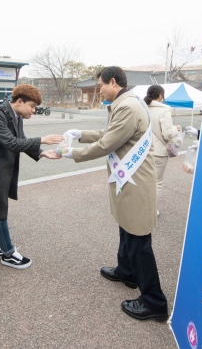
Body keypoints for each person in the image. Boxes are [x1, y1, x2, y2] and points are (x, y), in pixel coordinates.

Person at [62, 66, 168, 321]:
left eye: (100, 85)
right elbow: (110, 135)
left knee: (138, 242)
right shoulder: (124, 103)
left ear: (113, 82)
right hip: (128, 181)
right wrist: (81, 135)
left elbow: (108, 143)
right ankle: (127, 272)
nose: (99, 90)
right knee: (126, 229)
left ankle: (155, 302)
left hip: (135, 184)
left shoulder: (128, 106)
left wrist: (72, 153)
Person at [0, 84, 63, 269]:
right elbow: (11, 142)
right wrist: (42, 139)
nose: (34, 111)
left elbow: (22, 140)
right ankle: (8, 254)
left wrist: (41, 153)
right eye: (32, 106)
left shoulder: (15, 115)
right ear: (19, 101)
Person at [145, 85, 181, 215]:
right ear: (161, 96)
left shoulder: (143, 108)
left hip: (143, 150)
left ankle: (140, 206)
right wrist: (175, 129)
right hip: (159, 152)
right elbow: (167, 134)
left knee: (144, 180)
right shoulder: (164, 110)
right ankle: (150, 210)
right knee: (156, 182)